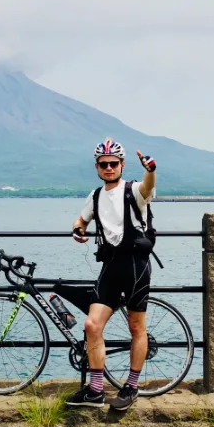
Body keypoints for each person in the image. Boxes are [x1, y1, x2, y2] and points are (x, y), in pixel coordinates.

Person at [67, 138, 156, 411]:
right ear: (97, 167)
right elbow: (82, 218)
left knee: (136, 327)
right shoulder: (95, 196)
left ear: (122, 165)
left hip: (136, 265)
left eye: (113, 163)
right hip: (110, 266)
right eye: (103, 164)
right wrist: (78, 229)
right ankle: (96, 391)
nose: (108, 168)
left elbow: (148, 186)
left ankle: (131, 386)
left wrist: (150, 170)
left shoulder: (134, 191)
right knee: (92, 326)